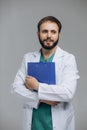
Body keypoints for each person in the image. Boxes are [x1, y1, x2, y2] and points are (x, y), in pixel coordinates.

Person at [12, 16, 79, 130]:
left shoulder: (68, 59)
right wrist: (41, 99)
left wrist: (36, 86)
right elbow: (16, 89)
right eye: (45, 31)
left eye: (53, 32)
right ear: (38, 34)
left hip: (59, 123)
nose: (49, 35)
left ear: (59, 34)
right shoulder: (28, 58)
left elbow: (67, 93)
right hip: (33, 124)